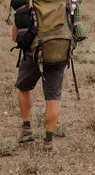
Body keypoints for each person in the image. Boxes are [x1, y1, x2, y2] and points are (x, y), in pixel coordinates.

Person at [12, 21, 67, 152]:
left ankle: (27, 130)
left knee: (24, 88)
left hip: (32, 52)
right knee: (53, 97)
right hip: (59, 51)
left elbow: (15, 37)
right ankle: (48, 141)